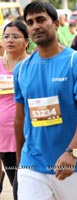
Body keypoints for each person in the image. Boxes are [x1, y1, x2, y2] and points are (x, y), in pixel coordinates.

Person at [14, 2, 77, 199]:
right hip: (33, 164)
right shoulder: (21, 69)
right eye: (30, 22)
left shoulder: (76, 63)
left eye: (41, 20)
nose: (36, 25)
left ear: (55, 24)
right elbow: (20, 119)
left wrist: (72, 153)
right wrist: (20, 160)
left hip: (76, 164)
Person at [0, 20, 29, 199]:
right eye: (6, 36)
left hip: (25, 135)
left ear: (27, 41)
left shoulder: (33, 65)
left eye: (15, 36)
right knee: (14, 179)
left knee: (22, 186)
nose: (9, 40)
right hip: (2, 135)